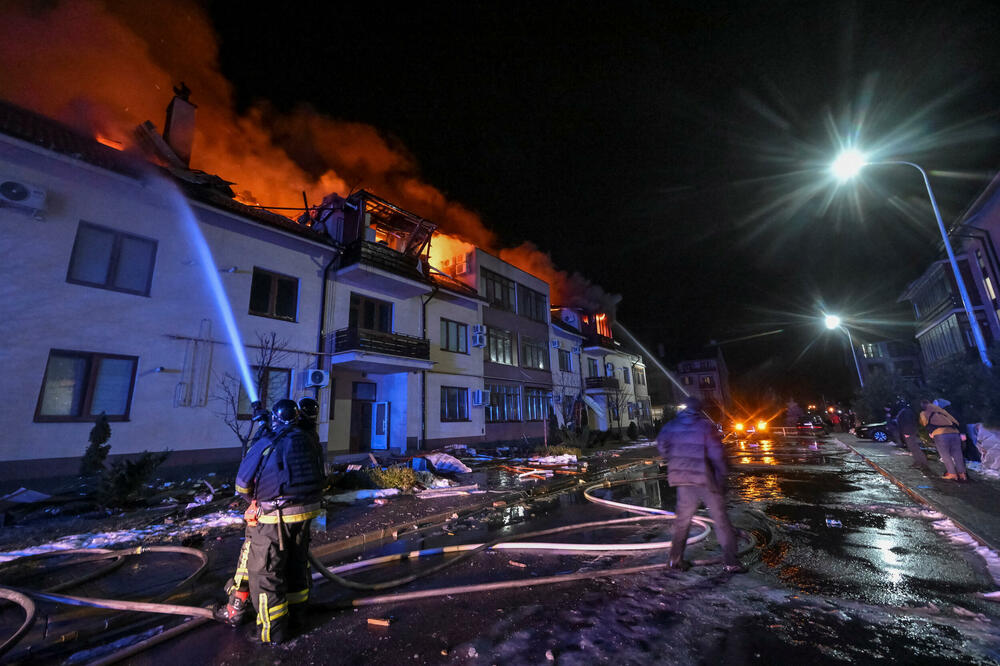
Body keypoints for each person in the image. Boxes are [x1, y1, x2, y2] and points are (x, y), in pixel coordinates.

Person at [216, 398, 326, 644]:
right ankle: (297, 617)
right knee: (296, 565)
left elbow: (241, 484)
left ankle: (271, 631)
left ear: (274, 420)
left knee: (264, 572)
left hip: (273, 516)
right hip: (306, 513)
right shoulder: (308, 439)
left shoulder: (267, 442)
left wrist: (253, 501)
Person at [656, 395, 744, 573]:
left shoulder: (671, 425)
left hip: (683, 480)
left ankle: (675, 560)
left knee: (682, 521)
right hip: (705, 479)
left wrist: (674, 458)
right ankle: (731, 562)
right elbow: (717, 454)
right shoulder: (705, 426)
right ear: (699, 409)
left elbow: (661, 445)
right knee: (720, 520)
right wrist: (722, 475)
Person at [919, 399, 966, 482]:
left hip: (940, 434)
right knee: (957, 454)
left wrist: (930, 432)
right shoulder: (942, 410)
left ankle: (952, 474)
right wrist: (961, 432)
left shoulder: (924, 412)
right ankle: (962, 474)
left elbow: (925, 423)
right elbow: (955, 420)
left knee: (945, 455)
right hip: (954, 433)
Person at [895, 400, 929, 470]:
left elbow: (908, 423)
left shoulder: (905, 412)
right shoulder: (906, 411)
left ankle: (922, 463)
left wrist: (907, 432)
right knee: (913, 448)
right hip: (909, 431)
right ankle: (918, 462)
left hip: (908, 432)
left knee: (914, 448)